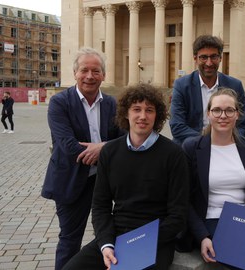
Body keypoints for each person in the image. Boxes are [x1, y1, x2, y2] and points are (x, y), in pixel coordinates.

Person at [63, 84, 190, 269]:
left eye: (149, 110)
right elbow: (100, 206)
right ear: (126, 113)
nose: (143, 116)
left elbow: (178, 215)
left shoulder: (174, 154)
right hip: (117, 234)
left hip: (156, 238)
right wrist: (106, 244)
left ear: (158, 115)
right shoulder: (109, 152)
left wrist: (140, 243)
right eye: (136, 109)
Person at [41, 47, 123, 270]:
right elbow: (67, 145)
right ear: (75, 73)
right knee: (69, 239)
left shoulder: (112, 104)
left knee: (106, 238)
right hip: (70, 180)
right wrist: (105, 151)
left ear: (103, 75)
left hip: (104, 182)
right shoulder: (60, 103)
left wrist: (103, 148)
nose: (89, 76)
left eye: (95, 71)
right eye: (84, 70)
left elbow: (125, 139)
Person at [181, 88, 245, 269]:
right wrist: (202, 237)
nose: (223, 116)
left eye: (229, 110)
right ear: (208, 114)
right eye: (217, 110)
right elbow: (184, 200)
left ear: (237, 115)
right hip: (211, 222)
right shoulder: (191, 148)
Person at [170, 35, 245, 144]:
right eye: (203, 57)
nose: (209, 63)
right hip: (190, 149)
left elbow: (242, 127)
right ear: (195, 59)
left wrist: (225, 143)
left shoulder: (235, 86)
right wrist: (209, 141)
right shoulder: (181, 86)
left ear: (220, 58)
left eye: (214, 57)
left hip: (224, 147)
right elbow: (177, 127)